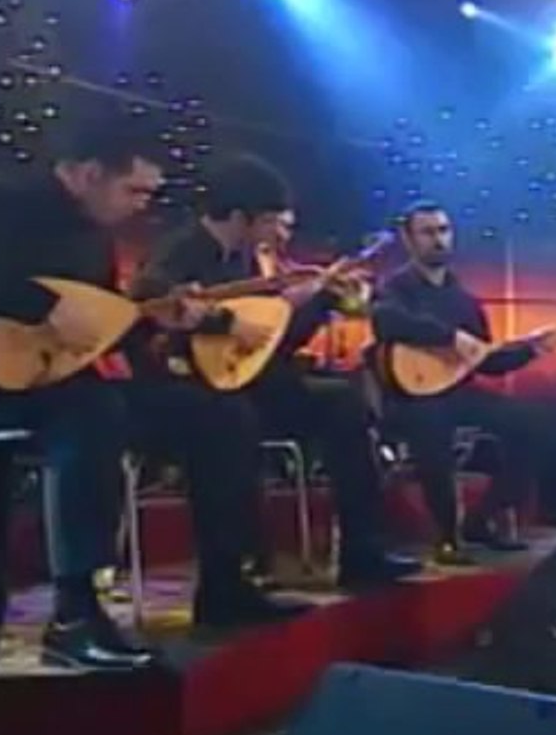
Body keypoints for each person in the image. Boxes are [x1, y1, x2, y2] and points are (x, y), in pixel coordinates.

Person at [130, 154, 418, 618]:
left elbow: (269, 345)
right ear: (240, 216)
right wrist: (224, 320)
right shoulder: (180, 251)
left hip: (241, 383)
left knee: (343, 401)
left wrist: (319, 302)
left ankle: (362, 551)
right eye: (270, 221)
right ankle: (224, 586)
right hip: (182, 390)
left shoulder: (247, 260)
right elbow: (150, 304)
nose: (277, 233)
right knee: (231, 419)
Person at [0, 120, 186, 669]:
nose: (142, 205)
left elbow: (104, 322)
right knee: (95, 411)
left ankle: (229, 579)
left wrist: (159, 322)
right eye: (134, 190)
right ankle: (73, 614)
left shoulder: (96, 235)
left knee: (199, 409)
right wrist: (42, 307)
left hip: (51, 381)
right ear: (90, 174)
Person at [369, 202, 556, 563]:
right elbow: (385, 321)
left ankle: (482, 519)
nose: (438, 240)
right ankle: (446, 536)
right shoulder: (394, 288)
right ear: (409, 240)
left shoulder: (464, 300)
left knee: (535, 425)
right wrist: (449, 336)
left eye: (443, 231)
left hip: (458, 394)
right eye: (428, 232)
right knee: (430, 428)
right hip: (408, 398)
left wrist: (531, 349)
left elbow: (485, 360)